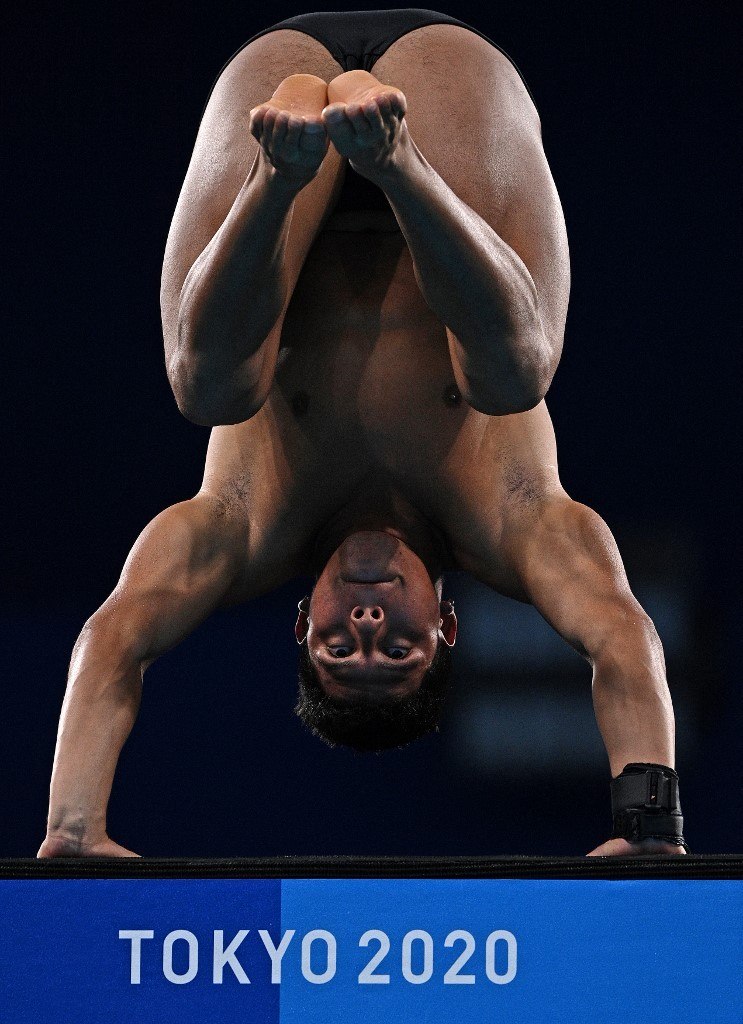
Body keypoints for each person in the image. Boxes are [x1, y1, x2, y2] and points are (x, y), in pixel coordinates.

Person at [38, 11, 686, 859]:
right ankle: (398, 164)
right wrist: (649, 831)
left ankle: (277, 178)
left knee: (207, 390)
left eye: (340, 644)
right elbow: (619, 634)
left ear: (302, 619)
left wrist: (73, 829)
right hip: (447, 92)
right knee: (513, 376)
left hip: (278, 102)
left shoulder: (243, 529)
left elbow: (113, 636)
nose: (369, 618)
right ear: (446, 625)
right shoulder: (512, 524)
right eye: (397, 644)